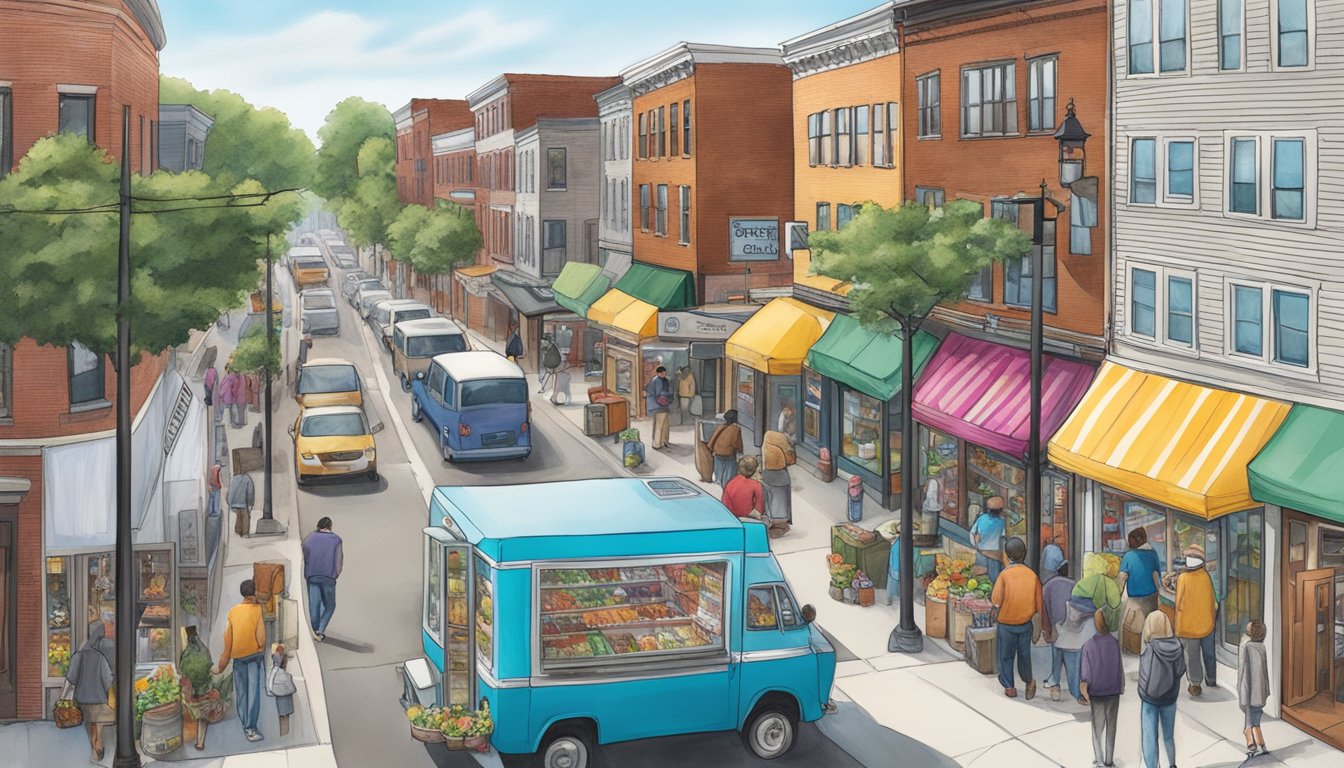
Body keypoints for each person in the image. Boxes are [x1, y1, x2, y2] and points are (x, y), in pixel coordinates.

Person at [212, 579, 267, 743]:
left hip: (238, 660)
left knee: (242, 694)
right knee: (253, 694)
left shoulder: (232, 612)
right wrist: (260, 648)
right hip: (254, 659)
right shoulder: (257, 610)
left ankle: (246, 726)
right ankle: (252, 728)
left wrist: (221, 665)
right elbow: (262, 638)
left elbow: (227, 640)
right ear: (254, 593)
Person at [990, 537, 1043, 699]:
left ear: (1007, 555)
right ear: (1024, 554)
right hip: (1025, 624)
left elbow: (996, 601)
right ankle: (1028, 681)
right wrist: (1038, 630)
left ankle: (1009, 686)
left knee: (1006, 655)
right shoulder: (1032, 576)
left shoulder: (1004, 576)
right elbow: (1038, 606)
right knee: (1024, 655)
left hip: (1006, 624)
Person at [1138, 611, 1186, 768]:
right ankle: (1171, 764)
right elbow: (1180, 671)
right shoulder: (1178, 646)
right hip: (1170, 698)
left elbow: (1144, 675)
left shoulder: (1149, 648)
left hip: (1150, 699)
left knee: (1149, 737)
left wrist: (1142, 692)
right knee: (1168, 736)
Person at [62, 620, 114, 761]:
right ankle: (98, 744)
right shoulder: (101, 658)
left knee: (87, 725)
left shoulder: (78, 656)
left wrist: (62, 696)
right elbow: (108, 680)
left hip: (82, 700)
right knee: (98, 725)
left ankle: (91, 748)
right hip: (98, 700)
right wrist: (104, 691)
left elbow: (70, 679)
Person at [1080, 611, 1124, 768]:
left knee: (1097, 728)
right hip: (1113, 691)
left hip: (1096, 692)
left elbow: (1085, 675)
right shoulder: (1114, 643)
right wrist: (1121, 686)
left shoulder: (1088, 646)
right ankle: (1109, 760)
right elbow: (1119, 667)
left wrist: (1085, 692)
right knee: (1111, 727)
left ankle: (1099, 760)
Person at [1173, 544, 1218, 696]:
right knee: (1209, 653)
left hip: (1189, 625)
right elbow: (1212, 600)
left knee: (1192, 656)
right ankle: (1211, 679)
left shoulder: (1183, 578)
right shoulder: (1206, 577)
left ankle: (1195, 683)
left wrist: (1177, 625)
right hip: (1207, 623)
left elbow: (1178, 603)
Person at [1118, 527, 1163, 653]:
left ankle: (1136, 652)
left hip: (1135, 600)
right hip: (1152, 598)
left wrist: (1117, 596)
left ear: (1135, 541)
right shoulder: (1153, 554)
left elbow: (1121, 579)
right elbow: (1157, 576)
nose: (1128, 543)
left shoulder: (1128, 556)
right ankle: (1150, 651)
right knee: (1151, 629)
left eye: (1130, 540)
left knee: (1133, 630)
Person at [302, 516, 343, 642]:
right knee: (330, 605)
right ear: (330, 526)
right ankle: (320, 629)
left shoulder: (309, 539)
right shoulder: (336, 540)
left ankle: (314, 630)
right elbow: (338, 561)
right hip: (328, 577)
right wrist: (335, 574)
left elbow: (304, 555)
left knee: (314, 605)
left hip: (312, 576)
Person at [1051, 595, 1098, 705]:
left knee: (1069, 668)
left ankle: (1056, 686)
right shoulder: (1088, 615)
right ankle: (1076, 693)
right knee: (1076, 670)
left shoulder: (1067, 607)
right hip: (1075, 642)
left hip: (1067, 640)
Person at [1041, 559, 1077, 701]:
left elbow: (1044, 609)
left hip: (1056, 627)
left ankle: (1055, 686)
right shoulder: (1075, 585)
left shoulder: (1048, 585)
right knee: (1073, 662)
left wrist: (1046, 629)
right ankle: (1075, 691)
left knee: (1056, 656)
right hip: (1072, 628)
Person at [1073, 552, 1122, 644]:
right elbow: (1115, 607)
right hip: (1101, 630)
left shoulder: (1079, 584)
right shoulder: (1110, 584)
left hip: (1079, 631)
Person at [1238, 619, 1270, 757]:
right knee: (1256, 717)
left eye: (1249, 628)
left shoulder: (1247, 646)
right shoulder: (1261, 647)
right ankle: (1261, 742)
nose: (1247, 628)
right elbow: (1264, 672)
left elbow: (1244, 672)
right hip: (1260, 691)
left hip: (1249, 691)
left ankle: (1251, 742)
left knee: (1249, 719)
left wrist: (1240, 688)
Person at [760, 430, 793, 536]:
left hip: (767, 473)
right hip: (781, 474)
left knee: (769, 498)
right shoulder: (783, 444)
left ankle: (771, 520)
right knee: (782, 498)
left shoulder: (766, 442)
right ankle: (780, 523)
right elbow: (790, 460)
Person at [970, 497, 1007, 584]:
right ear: (1000, 510)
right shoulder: (1002, 522)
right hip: (995, 555)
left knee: (980, 577)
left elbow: (972, 533)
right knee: (994, 579)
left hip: (982, 552)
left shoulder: (981, 518)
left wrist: (975, 545)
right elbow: (1004, 538)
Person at [706, 410, 744, 488]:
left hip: (717, 454)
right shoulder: (736, 429)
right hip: (728, 455)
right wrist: (740, 449)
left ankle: (719, 489)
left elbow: (712, 440)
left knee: (719, 476)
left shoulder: (721, 427)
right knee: (729, 477)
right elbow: (736, 444)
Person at [267, 643, 297, 737]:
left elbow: (270, 688)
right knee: (285, 723)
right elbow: (292, 688)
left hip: (278, 704)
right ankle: (285, 735)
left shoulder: (272, 671)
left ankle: (283, 734)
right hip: (285, 705)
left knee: (281, 722)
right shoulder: (284, 675)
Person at [644, 366, 673, 449]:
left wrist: (668, 396)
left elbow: (668, 392)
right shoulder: (656, 380)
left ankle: (664, 441)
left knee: (665, 425)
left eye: (665, 372)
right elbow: (659, 393)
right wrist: (668, 395)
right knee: (659, 425)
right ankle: (657, 443)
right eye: (663, 373)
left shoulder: (665, 380)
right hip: (658, 406)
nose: (664, 374)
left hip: (664, 405)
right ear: (658, 373)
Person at [228, 470, 255, 538]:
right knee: (245, 517)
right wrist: (250, 503)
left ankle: (238, 531)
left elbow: (230, 492)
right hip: (244, 503)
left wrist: (230, 502)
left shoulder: (234, 479)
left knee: (238, 516)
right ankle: (245, 532)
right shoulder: (247, 479)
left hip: (235, 503)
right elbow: (250, 492)